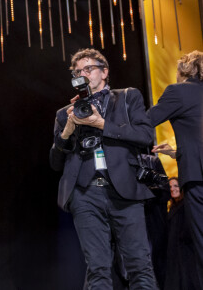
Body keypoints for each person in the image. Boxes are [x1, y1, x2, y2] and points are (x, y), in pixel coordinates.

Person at [50, 48, 158, 288]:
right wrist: (67, 131)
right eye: (78, 71)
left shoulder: (128, 97)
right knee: (97, 268)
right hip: (85, 194)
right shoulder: (65, 114)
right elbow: (55, 162)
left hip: (125, 191)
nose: (83, 74)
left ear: (105, 71)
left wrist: (101, 124)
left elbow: (145, 135)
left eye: (88, 68)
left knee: (139, 264)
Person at [147, 50, 203, 288]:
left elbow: (145, 120)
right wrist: (177, 152)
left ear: (183, 71)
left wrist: (109, 126)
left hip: (198, 180)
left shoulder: (178, 91)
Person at [164, 177, 198, 290]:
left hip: (186, 253)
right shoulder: (172, 208)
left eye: (176, 186)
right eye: (170, 187)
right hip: (174, 254)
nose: (173, 189)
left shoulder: (187, 206)